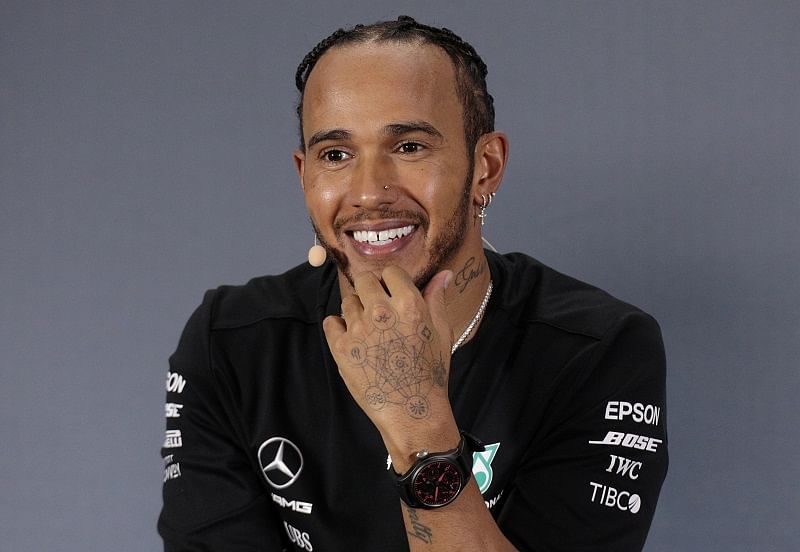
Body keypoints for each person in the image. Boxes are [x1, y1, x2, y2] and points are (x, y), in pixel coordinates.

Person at [158, 16, 668, 552]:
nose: (369, 191)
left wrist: (418, 423)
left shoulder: (598, 348)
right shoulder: (231, 340)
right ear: (304, 175)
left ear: (485, 167)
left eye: (409, 147)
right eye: (336, 155)